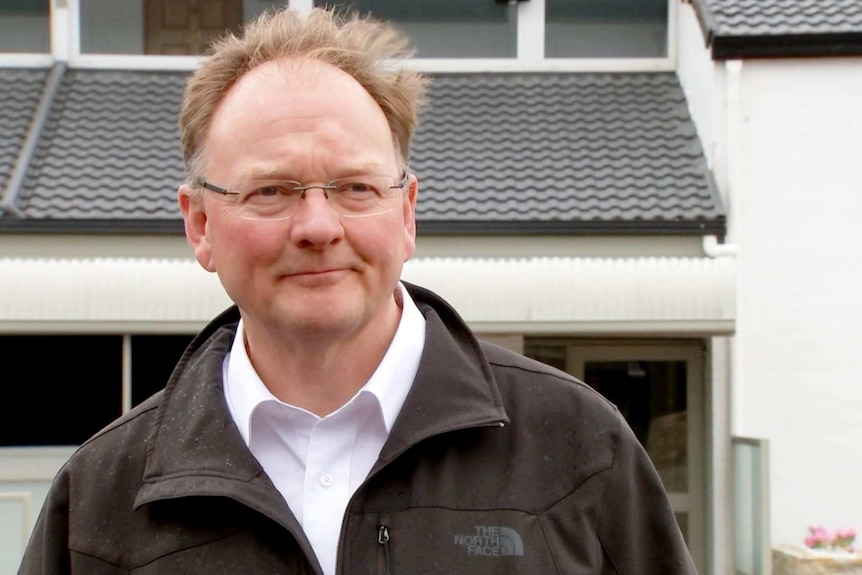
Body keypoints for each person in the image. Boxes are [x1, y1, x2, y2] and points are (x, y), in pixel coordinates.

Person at [19, 6, 697, 575]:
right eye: (271, 190)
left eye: (355, 187)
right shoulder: (99, 503)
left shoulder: (579, 449)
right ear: (199, 223)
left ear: (406, 213)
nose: (318, 225)